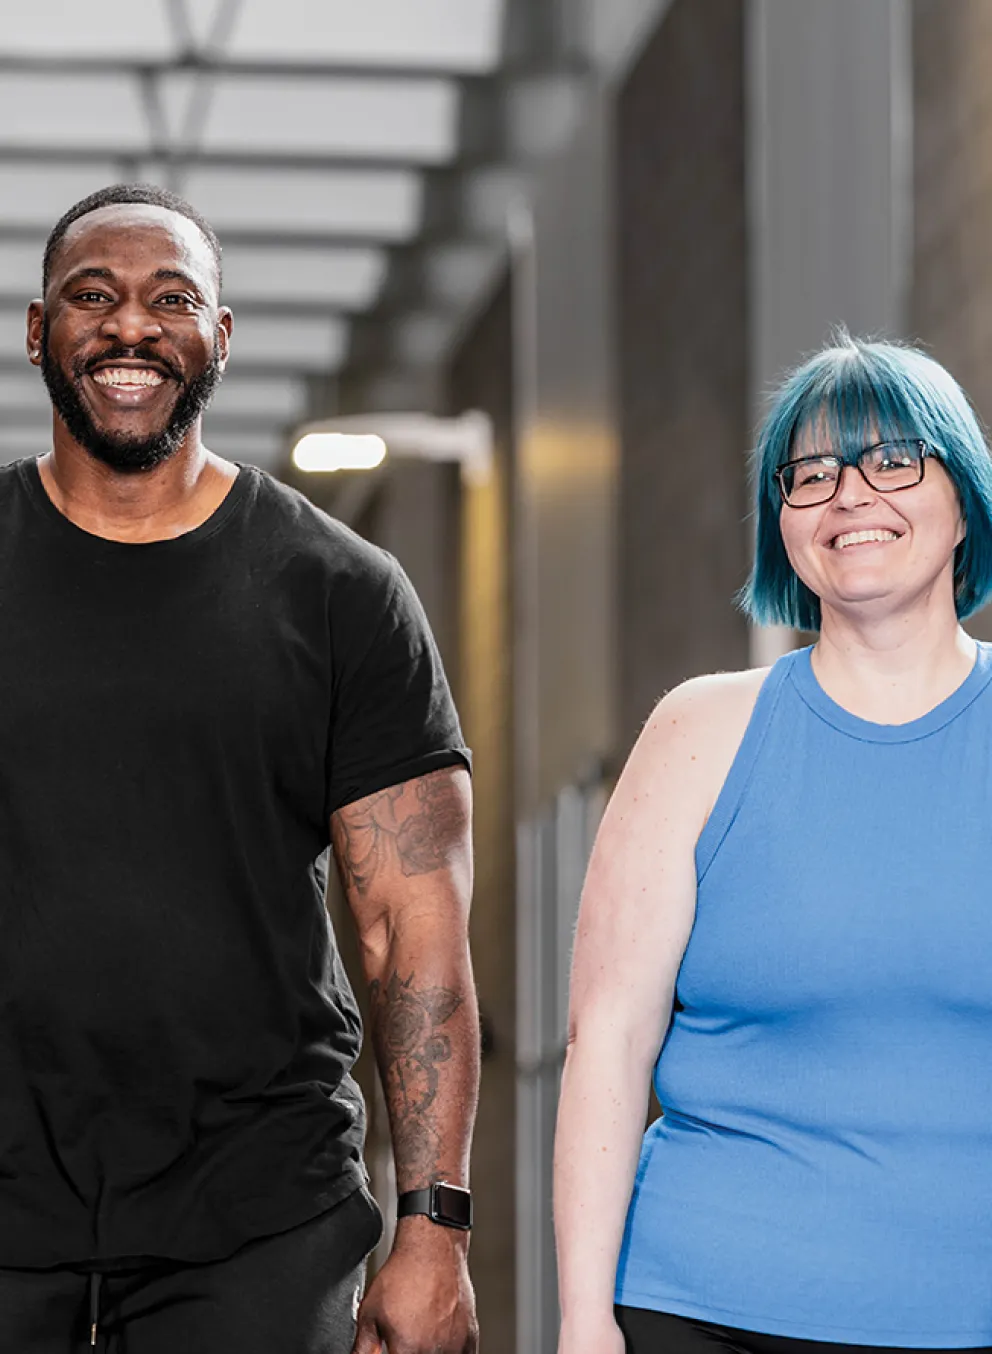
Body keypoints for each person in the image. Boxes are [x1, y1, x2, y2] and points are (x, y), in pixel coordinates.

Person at [0, 182, 479, 1354]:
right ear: (35, 330)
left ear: (219, 337)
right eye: (92, 297)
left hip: (258, 1212)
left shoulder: (340, 592)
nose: (129, 329)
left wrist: (433, 1230)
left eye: (171, 300)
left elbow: (408, 931)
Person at [554, 334, 992, 1354]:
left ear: (960, 496)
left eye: (890, 459)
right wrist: (580, 1319)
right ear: (780, 522)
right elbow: (608, 1039)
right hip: (707, 1306)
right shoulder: (696, 732)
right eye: (810, 474)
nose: (847, 494)